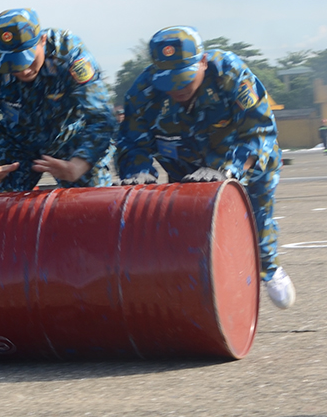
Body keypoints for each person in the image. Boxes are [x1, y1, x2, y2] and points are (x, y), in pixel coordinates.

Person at [116, 26, 295, 309]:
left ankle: (269, 268)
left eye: (184, 79)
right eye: (169, 82)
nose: (177, 89)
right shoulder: (144, 91)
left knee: (256, 220)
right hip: (186, 166)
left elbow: (259, 132)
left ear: (202, 62)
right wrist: (137, 171)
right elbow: (130, 140)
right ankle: (203, 292)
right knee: (190, 232)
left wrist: (228, 170)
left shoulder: (230, 74)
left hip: (245, 159)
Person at [0, 8, 116, 194]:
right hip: (18, 146)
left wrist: (78, 166)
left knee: (93, 206)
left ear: (42, 40)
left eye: (28, 59)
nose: (23, 71)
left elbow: (102, 117)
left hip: (70, 141)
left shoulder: (68, 53)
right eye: (13, 64)